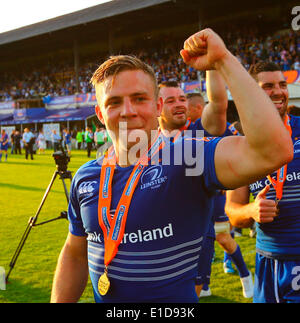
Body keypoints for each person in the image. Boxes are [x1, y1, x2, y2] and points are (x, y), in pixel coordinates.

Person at [51, 29, 292, 303]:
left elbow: (273, 151)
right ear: (100, 114)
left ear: (157, 106)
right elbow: (75, 251)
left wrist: (223, 59)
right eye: (114, 102)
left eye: (139, 98)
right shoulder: (86, 177)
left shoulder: (189, 156)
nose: (128, 110)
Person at [225, 61, 300, 303]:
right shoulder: (241, 145)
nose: (278, 91)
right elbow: (232, 210)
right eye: (268, 86)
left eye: (282, 84)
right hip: (270, 260)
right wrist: (251, 210)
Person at [184, 91, 253, 298]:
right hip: (194, 197)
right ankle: (204, 284)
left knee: (222, 237)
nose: (184, 111)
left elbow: (242, 151)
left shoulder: (220, 126)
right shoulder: (187, 130)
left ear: (198, 108)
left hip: (216, 196)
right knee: (196, 240)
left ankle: (245, 274)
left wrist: (226, 180)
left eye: (187, 106)